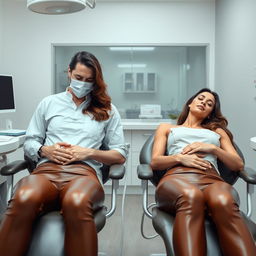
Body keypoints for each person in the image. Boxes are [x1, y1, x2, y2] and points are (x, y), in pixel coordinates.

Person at [0, 51, 128, 256]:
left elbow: (119, 154)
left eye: (89, 80)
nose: (83, 84)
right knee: (24, 197)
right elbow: (31, 141)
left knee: (76, 201)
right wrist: (44, 149)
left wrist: (88, 152)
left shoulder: (107, 109)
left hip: (84, 173)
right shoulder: (48, 103)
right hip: (46, 171)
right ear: (69, 72)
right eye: (79, 78)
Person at [152, 88, 256, 256]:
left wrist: (213, 148)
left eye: (209, 104)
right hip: (176, 178)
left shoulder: (216, 132)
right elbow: (155, 162)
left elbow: (238, 164)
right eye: (200, 98)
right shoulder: (167, 128)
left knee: (223, 200)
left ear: (209, 113)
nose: (203, 103)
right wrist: (180, 158)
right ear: (190, 103)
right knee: (190, 197)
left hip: (212, 179)